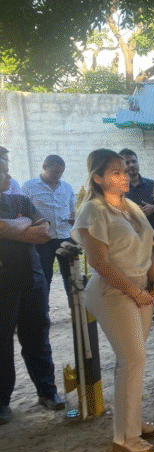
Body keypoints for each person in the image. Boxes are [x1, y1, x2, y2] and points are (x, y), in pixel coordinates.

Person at [72, 149, 154, 452]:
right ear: (98, 177)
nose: (125, 176)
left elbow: (146, 246)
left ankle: (132, 422)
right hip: (113, 290)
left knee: (134, 359)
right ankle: (125, 437)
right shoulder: (93, 211)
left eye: (124, 170)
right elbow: (100, 264)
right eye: (115, 172)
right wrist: (135, 293)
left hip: (141, 288)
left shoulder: (131, 206)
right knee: (132, 359)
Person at [0, 158, 63, 425]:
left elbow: (44, 233)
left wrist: (10, 228)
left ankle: (47, 393)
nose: (8, 173)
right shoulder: (22, 207)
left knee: (38, 338)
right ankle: (2, 403)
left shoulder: (20, 202)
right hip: (3, 284)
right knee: (2, 345)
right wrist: (23, 224)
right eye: (3, 169)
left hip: (33, 280)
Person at [120, 148, 154, 327]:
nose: (131, 165)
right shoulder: (119, 187)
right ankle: (138, 309)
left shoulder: (152, 185)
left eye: (133, 161)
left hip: (151, 239)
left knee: (153, 275)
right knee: (132, 275)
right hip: (128, 241)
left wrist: (153, 209)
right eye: (127, 162)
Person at [22, 154, 75, 296]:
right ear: (45, 167)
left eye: (61, 173)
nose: (58, 176)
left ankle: (76, 313)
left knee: (72, 277)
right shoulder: (29, 186)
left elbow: (72, 210)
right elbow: (24, 212)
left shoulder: (67, 188)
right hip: (42, 239)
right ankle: (43, 313)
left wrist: (73, 219)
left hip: (65, 237)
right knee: (44, 276)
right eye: (55, 172)